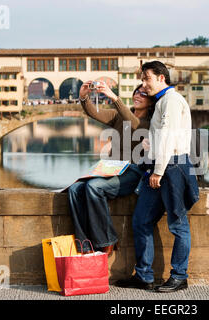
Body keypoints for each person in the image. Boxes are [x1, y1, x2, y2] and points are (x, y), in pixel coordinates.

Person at [115, 61, 199, 292]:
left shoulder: (171, 101)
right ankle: (144, 276)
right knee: (141, 220)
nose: (143, 84)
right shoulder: (163, 102)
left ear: (161, 78)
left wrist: (158, 171)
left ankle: (180, 276)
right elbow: (162, 137)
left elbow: (170, 139)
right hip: (159, 166)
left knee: (178, 224)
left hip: (172, 167)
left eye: (146, 79)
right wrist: (150, 146)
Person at [66, 81, 156, 256]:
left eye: (143, 94)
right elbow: (94, 112)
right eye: (136, 92)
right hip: (111, 168)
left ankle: (107, 239)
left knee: (94, 187)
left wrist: (114, 97)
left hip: (133, 171)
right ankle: (84, 244)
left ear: (151, 101)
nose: (138, 95)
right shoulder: (118, 116)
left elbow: (134, 124)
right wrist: (84, 96)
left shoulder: (149, 122)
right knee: (75, 189)